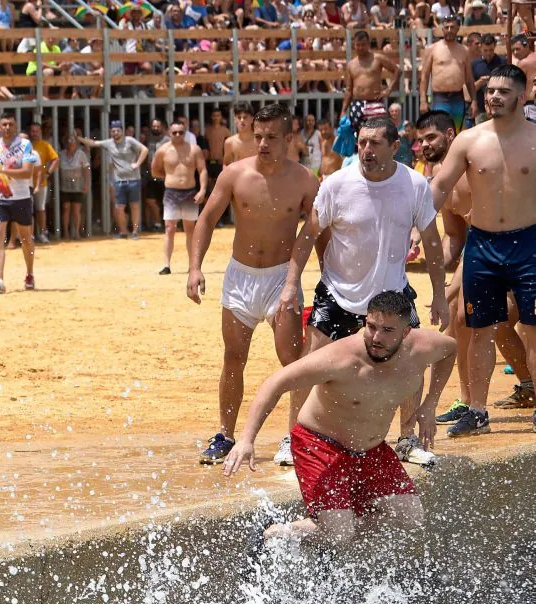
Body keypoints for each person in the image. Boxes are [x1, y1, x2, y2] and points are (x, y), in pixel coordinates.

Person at [225, 290, 456, 547]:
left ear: (406, 333)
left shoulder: (423, 348)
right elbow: (275, 383)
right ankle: (271, 533)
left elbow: (450, 350)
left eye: (387, 330)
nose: (376, 338)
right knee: (340, 535)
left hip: (370, 450)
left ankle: (325, 528)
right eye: (371, 326)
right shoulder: (342, 357)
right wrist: (247, 438)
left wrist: (430, 404)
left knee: (410, 518)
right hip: (320, 446)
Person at [280, 115, 448, 463]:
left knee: (409, 363)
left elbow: (432, 244)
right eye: (361, 143)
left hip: (391, 296)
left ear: (395, 147)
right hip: (338, 291)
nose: (366, 150)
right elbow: (306, 237)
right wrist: (290, 285)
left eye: (374, 143)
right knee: (310, 361)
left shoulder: (415, 185)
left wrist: (440, 296)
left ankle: (406, 438)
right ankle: (291, 437)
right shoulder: (337, 184)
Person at [188, 103, 321, 467]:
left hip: (282, 277)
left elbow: (314, 233)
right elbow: (206, 220)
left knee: (291, 362)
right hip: (240, 277)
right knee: (233, 358)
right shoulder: (234, 174)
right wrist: (194, 268)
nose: (262, 143)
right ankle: (226, 435)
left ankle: (295, 436)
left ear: (288, 138)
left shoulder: (305, 180)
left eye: (271, 137)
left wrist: (308, 280)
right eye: (258, 136)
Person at [427, 64, 536, 436]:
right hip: (483, 244)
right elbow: (440, 186)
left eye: (503, 92)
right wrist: (411, 222)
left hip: (529, 243)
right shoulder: (469, 140)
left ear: (522, 96)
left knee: (533, 329)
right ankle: (477, 410)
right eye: (490, 91)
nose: (494, 97)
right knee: (478, 330)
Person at [0, 111, 41, 293]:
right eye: (4, 124)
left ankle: (30, 273)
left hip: (21, 197)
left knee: (25, 237)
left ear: (15, 126)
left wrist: (1, 170)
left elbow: (27, 172)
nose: (7, 127)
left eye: (10, 124)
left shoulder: (25, 145)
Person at [152, 118, 209, 276]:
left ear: (185, 133)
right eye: (174, 132)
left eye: (181, 132)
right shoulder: (163, 150)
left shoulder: (194, 149)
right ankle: (166, 265)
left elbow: (202, 170)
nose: (177, 135)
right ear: (169, 133)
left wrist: (202, 190)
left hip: (190, 191)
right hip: (171, 193)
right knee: (169, 228)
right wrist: (169, 177)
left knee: (190, 229)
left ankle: (192, 265)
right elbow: (154, 169)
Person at [83, 119, 147, 239]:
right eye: (113, 131)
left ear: (122, 131)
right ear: (110, 132)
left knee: (134, 206)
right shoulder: (109, 143)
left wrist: (137, 164)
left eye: (118, 130)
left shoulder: (130, 140)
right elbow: (93, 143)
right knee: (119, 208)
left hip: (133, 180)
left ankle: (135, 232)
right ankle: (123, 232)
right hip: (118, 181)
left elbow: (145, 150)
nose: (116, 133)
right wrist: (79, 138)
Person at [420, 15, 476, 130]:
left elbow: (469, 80)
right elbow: (424, 77)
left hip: (458, 98)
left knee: (457, 132)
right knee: (441, 132)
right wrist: (423, 100)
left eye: (452, 27)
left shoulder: (464, 50)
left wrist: (474, 101)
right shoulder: (432, 49)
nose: (449, 30)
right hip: (440, 98)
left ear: (458, 28)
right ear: (442, 29)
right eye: (446, 27)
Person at [342, 29, 398, 136]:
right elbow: (349, 90)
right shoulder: (351, 64)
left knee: (378, 135)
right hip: (357, 103)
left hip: (375, 101)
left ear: (368, 44)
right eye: (358, 45)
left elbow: (397, 71)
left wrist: (388, 90)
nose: (360, 47)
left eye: (363, 44)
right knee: (360, 136)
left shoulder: (378, 58)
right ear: (354, 45)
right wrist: (343, 110)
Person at [28, 120, 59, 243]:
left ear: (40, 132)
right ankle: (30, 235)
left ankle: (42, 233)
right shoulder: (26, 145)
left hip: (41, 183)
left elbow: (56, 159)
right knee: (28, 210)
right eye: (32, 131)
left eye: (36, 131)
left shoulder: (45, 145)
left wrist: (48, 173)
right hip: (27, 183)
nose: (34, 133)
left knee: (40, 209)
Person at [58, 131, 90, 240]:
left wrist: (86, 184)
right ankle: (66, 232)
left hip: (78, 186)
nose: (70, 143)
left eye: (73, 140)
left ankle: (76, 232)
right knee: (66, 208)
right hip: (65, 186)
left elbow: (86, 170)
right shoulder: (61, 154)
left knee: (76, 210)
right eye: (68, 140)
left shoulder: (81, 154)